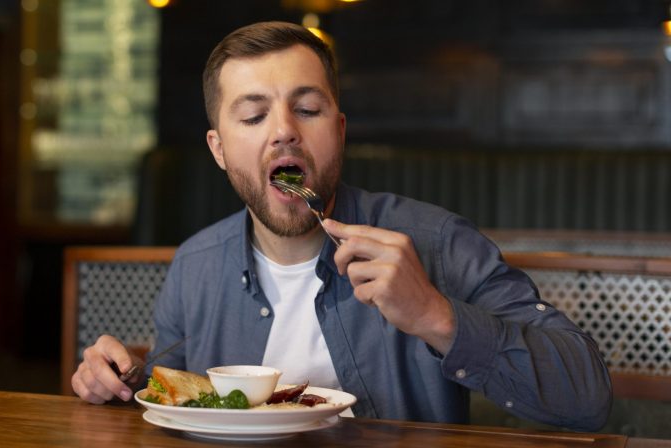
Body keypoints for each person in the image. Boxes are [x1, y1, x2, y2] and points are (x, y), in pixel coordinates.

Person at [72, 21, 611, 430]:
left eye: (307, 109)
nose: (284, 131)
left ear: (340, 129)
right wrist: (123, 382)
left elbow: (588, 395)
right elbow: (176, 408)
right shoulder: (195, 266)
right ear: (218, 148)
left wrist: (434, 315)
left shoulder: (437, 243)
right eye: (254, 116)